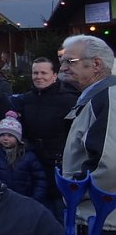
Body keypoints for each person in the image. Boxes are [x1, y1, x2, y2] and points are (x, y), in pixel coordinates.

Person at [59, 35, 116, 235]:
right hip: (95, 220)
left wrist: (74, 190)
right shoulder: (96, 96)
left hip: (101, 223)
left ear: (96, 65)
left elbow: (109, 163)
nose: (63, 67)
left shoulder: (107, 97)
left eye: (70, 61)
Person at [11, 56, 78, 219]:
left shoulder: (69, 100)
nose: (38, 77)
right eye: (35, 73)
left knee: (59, 212)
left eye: (43, 73)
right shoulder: (26, 99)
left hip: (58, 165)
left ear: (54, 75)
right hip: (33, 163)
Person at [0, 111, 46, 203]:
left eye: (10, 135)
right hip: (0, 200)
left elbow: (40, 180)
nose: (5, 138)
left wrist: (35, 199)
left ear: (17, 137)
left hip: (23, 200)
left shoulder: (28, 156)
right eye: (2, 135)